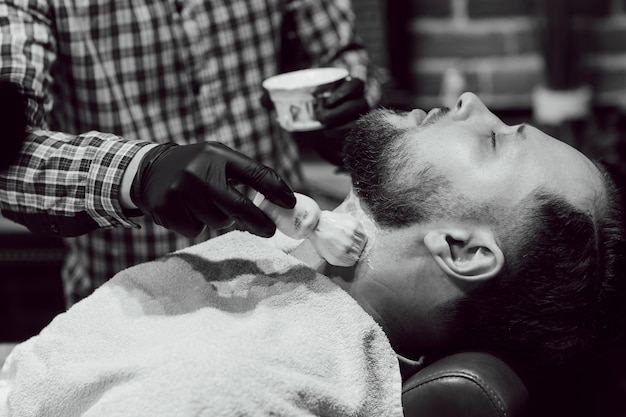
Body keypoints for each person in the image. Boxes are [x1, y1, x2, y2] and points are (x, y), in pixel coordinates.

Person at [1, 92, 624, 415]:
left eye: (491, 140)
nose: (470, 103)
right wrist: (137, 172)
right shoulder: (277, 274)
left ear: (460, 248)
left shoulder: (228, 378)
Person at [0, 0, 381, 306]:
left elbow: (340, 53)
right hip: (138, 300)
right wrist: (139, 172)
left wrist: (350, 102)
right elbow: (9, 155)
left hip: (288, 277)